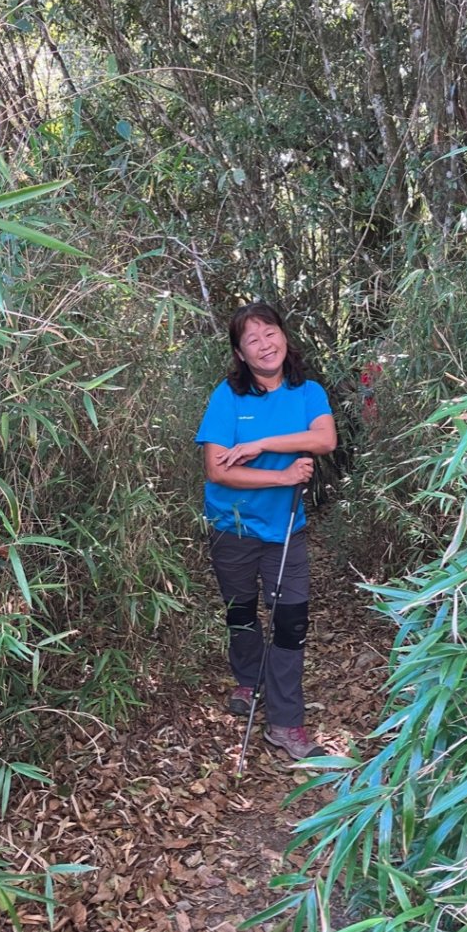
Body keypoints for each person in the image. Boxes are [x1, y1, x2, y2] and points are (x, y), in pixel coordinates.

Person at [195, 302, 338, 761]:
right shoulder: (228, 397)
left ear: (283, 337)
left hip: (286, 528)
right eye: (251, 339)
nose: (264, 344)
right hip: (231, 525)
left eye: (269, 333)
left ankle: (286, 722)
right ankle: (248, 679)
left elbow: (325, 440)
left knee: (291, 623)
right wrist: (281, 475)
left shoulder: (308, 392)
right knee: (240, 611)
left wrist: (258, 445)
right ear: (240, 353)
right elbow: (217, 469)